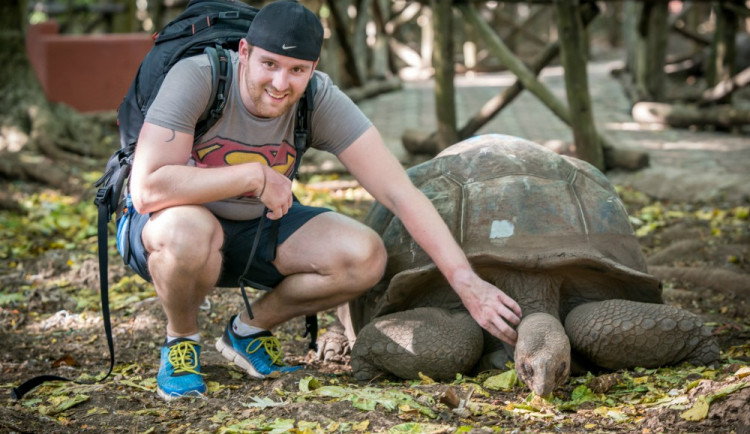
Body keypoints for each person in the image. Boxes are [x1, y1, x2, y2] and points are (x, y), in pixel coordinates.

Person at [121, 0, 522, 400]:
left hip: (255, 227)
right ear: (244, 53)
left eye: (296, 70)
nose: (281, 84)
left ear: (313, 68)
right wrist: (254, 175)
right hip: (171, 229)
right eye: (269, 65)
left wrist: (466, 281)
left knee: (364, 256)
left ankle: (247, 331)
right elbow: (147, 189)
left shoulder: (318, 98)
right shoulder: (200, 77)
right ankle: (181, 341)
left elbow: (399, 192)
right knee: (190, 230)